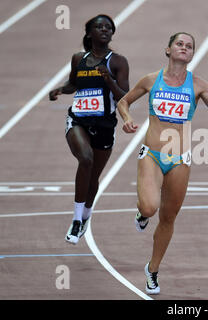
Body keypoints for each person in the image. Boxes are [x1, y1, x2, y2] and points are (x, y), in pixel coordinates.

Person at [117, 32, 208, 294]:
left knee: (168, 218)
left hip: (180, 159)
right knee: (149, 208)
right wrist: (125, 118)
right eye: (179, 44)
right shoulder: (150, 80)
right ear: (167, 50)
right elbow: (124, 101)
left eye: (189, 46)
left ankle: (153, 270)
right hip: (153, 154)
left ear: (192, 55)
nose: (184, 48)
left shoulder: (198, 85)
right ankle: (142, 214)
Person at [49, 14, 129, 245]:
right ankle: (75, 220)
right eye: (99, 27)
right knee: (85, 159)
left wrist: (109, 81)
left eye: (108, 27)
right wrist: (60, 90)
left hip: (104, 124)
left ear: (112, 33)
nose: (104, 30)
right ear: (89, 33)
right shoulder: (78, 58)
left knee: (93, 176)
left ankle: (85, 216)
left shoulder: (118, 62)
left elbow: (125, 97)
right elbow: (74, 83)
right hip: (78, 121)